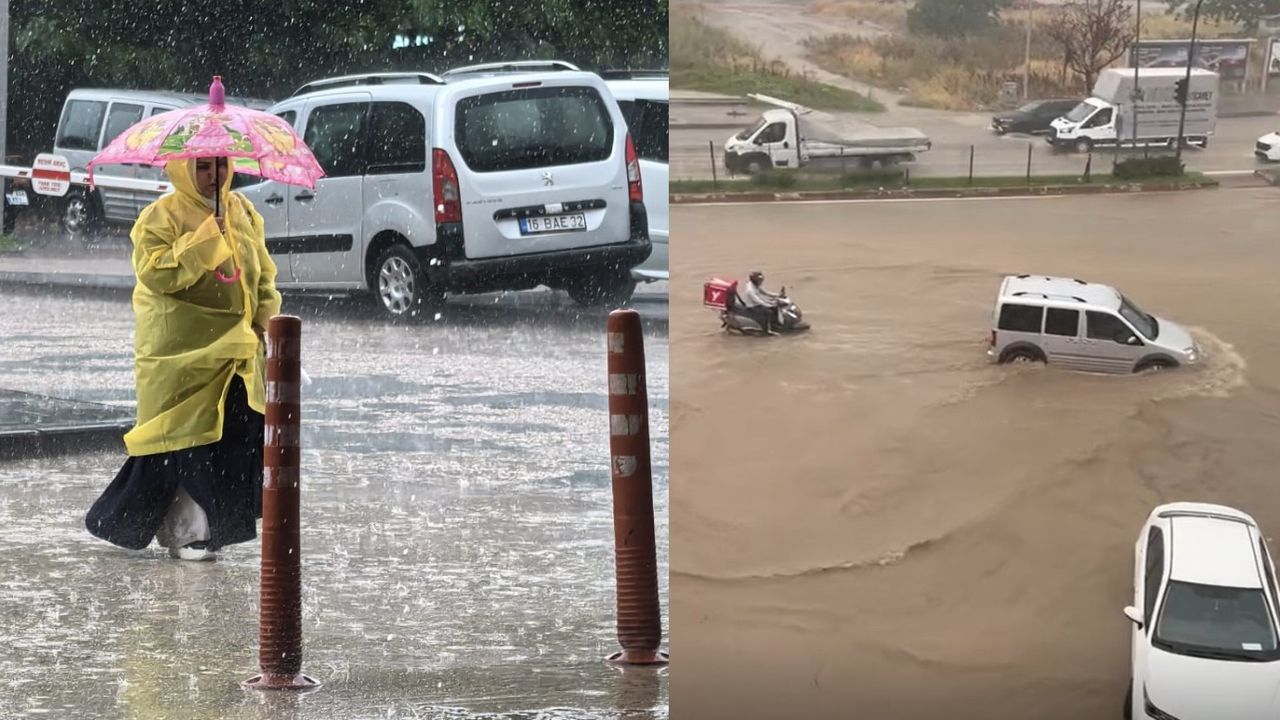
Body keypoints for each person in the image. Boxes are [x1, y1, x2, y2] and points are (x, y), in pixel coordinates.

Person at [85, 156, 281, 561]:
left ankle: (205, 526)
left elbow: (262, 276)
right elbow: (157, 272)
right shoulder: (159, 217)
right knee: (185, 440)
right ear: (182, 170)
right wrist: (207, 238)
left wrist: (264, 320)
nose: (214, 177)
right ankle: (190, 532)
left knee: (230, 436)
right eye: (203, 168)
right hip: (179, 356)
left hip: (235, 353)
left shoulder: (244, 211)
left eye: (221, 166)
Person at [739, 270, 785, 335]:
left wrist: (778, 295)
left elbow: (765, 292)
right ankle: (766, 330)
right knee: (768, 312)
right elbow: (758, 301)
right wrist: (769, 305)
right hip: (752, 306)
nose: (761, 282)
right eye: (760, 280)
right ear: (755, 280)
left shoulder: (756, 285)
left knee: (774, 308)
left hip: (757, 303)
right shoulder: (750, 290)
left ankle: (774, 324)